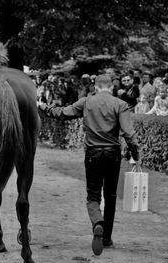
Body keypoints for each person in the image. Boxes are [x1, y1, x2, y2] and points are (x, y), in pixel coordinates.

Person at [38, 74, 140, 256]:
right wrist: (135, 154)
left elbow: (62, 113)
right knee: (111, 195)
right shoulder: (120, 104)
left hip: (93, 154)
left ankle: (97, 222)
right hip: (112, 154)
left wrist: (43, 107)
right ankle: (107, 237)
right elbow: (128, 134)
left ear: (95, 86)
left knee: (93, 195)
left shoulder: (86, 101)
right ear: (111, 87)